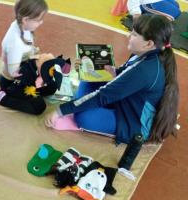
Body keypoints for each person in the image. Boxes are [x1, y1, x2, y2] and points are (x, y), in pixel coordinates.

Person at [45, 14, 179, 144]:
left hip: (133, 124)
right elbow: (125, 74)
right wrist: (113, 71)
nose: (128, 36)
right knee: (87, 78)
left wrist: (60, 111)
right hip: (126, 102)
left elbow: (103, 95)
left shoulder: (144, 70)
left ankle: (77, 106)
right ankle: (79, 104)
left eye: (134, 35)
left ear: (149, 44)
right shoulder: (145, 55)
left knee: (83, 117)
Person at [0, 0, 49, 114]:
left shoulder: (21, 25)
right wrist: (37, 70)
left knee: (49, 86)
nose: (41, 22)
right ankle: (2, 97)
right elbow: (15, 73)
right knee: (39, 107)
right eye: (38, 20)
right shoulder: (16, 43)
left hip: (20, 74)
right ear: (26, 19)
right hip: (12, 83)